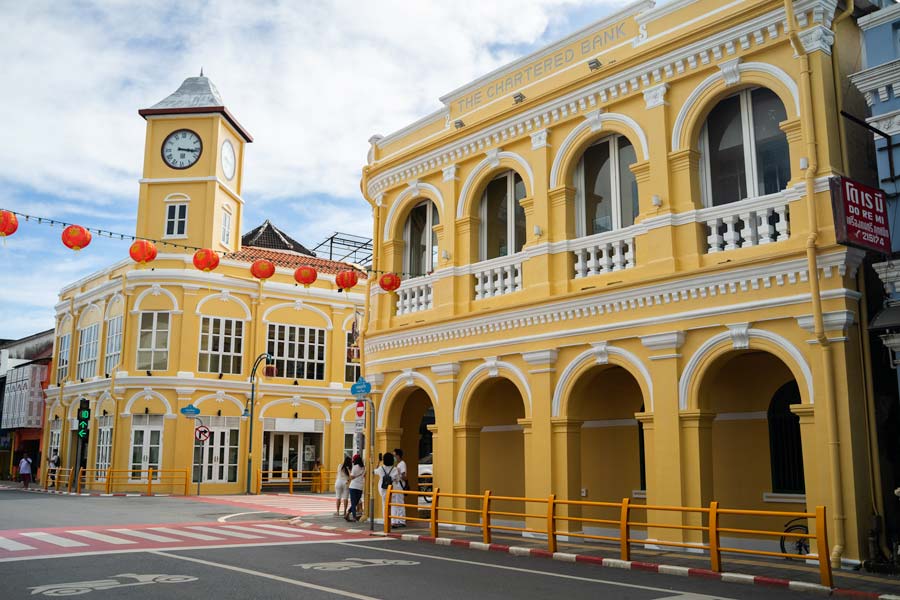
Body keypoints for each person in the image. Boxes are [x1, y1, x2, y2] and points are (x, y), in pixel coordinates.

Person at [375, 452, 405, 528]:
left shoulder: (381, 468)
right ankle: (393, 522)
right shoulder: (395, 469)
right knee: (393, 505)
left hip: (383, 490)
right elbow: (398, 480)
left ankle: (386, 521)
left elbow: (374, 471)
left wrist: (379, 462)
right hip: (393, 489)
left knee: (385, 505)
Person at [346, 454, 365, 522]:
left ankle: (350, 514)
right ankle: (351, 515)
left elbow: (351, 476)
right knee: (355, 502)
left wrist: (348, 479)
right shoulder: (363, 468)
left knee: (354, 502)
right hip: (360, 487)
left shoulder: (355, 467)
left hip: (353, 486)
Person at [393, 448, 408, 526]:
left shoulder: (402, 464)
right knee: (397, 503)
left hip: (400, 485)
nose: (394, 457)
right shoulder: (398, 464)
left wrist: (399, 474)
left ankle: (402, 521)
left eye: (394, 455)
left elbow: (404, 476)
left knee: (400, 503)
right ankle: (398, 520)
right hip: (397, 485)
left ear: (398, 456)